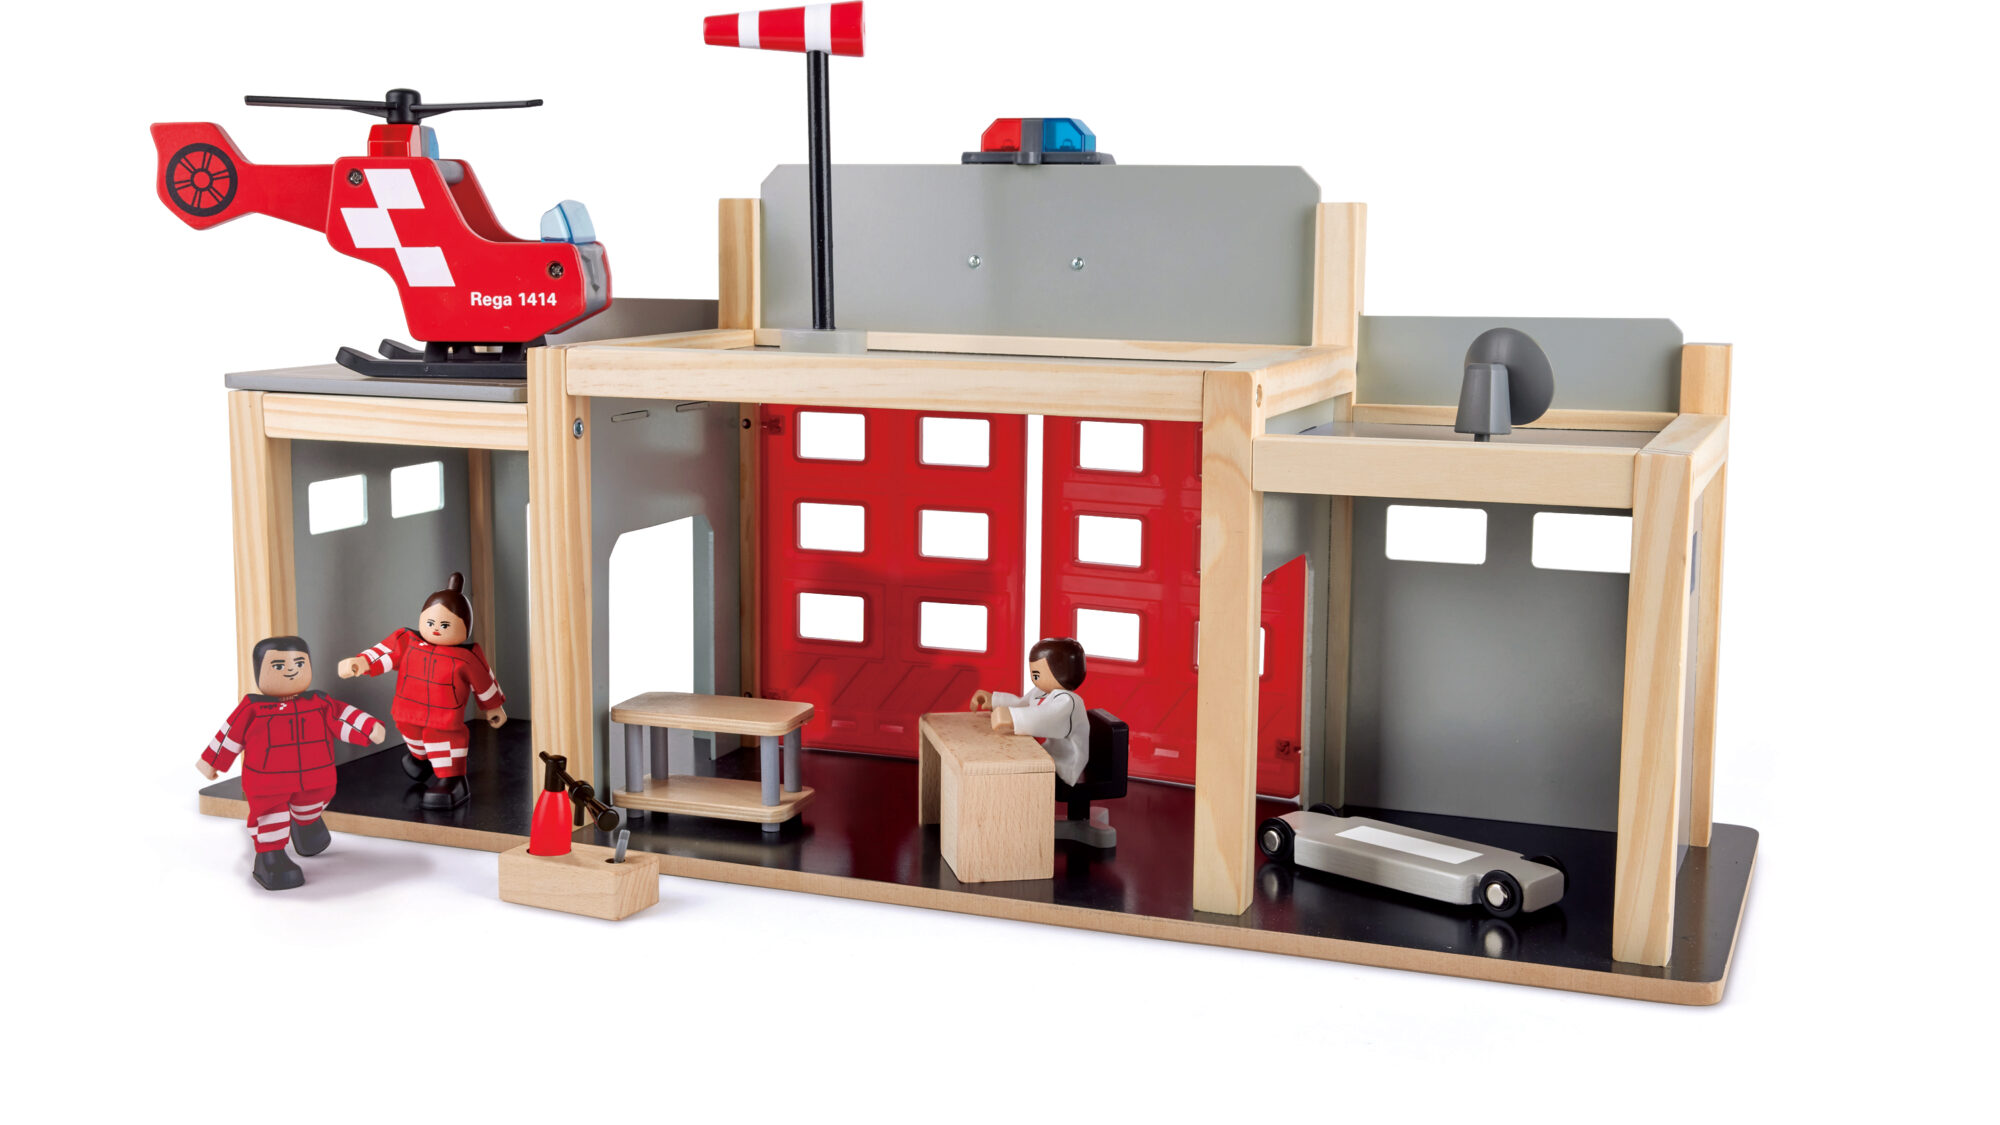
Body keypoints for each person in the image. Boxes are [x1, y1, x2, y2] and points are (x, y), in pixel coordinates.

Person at [198, 636, 386, 890]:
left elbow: (341, 717)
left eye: (299, 663)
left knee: (313, 803)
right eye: (278, 666)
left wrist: (368, 727)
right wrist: (212, 761)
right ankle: (270, 857)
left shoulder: (318, 703)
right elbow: (230, 734)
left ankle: (306, 825)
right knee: (271, 816)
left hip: (315, 777)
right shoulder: (252, 709)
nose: (291, 670)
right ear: (259, 671)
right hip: (269, 782)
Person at [340, 573, 506, 809]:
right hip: (407, 711)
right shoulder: (408, 641)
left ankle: (453, 780)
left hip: (443, 718)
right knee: (413, 736)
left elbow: (484, 681)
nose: (436, 629)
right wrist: (362, 662)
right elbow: (384, 653)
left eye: (445, 625)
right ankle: (422, 759)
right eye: (430, 623)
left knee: (443, 742)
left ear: (464, 627)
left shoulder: (466, 657)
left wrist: (493, 706)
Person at [969, 637, 1089, 785]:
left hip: (1063, 767)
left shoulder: (1068, 701)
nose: (1034, 679)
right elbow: (1023, 704)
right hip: (1046, 755)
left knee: (1012, 773)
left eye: (1037, 675)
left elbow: (1045, 718)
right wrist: (994, 700)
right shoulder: (1042, 691)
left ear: (1061, 672)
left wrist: (1013, 717)